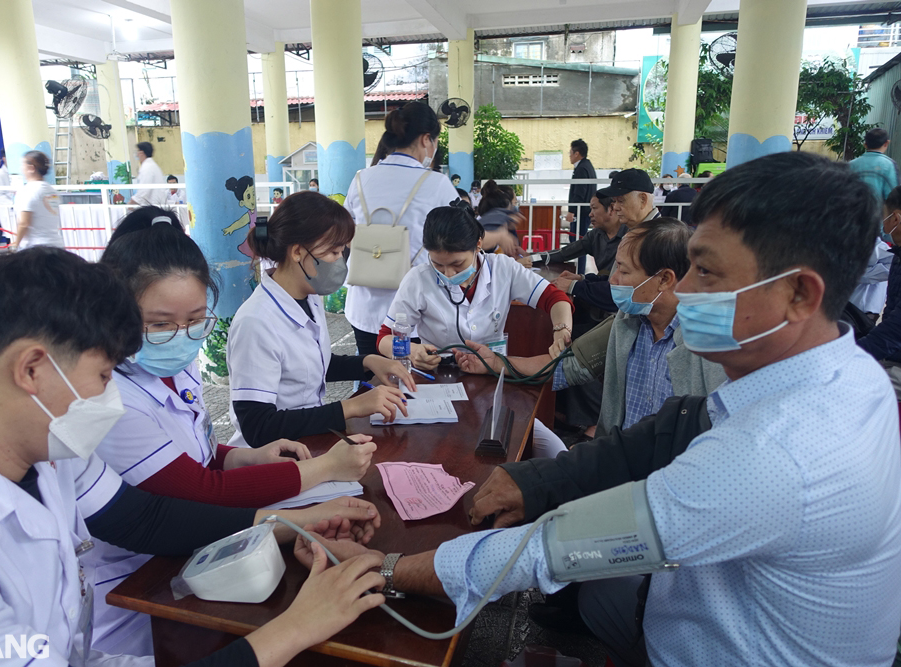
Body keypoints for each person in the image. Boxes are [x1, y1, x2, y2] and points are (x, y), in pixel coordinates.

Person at [298, 151, 901, 667]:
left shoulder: (776, 454)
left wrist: (383, 570)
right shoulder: (847, 376)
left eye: (707, 273)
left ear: (799, 293)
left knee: (562, 577)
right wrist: (531, 481)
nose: (682, 291)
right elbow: (670, 427)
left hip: (704, 647)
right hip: (696, 609)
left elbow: (553, 549)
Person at [0, 247, 387, 667]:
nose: (111, 394)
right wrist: (297, 627)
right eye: (106, 374)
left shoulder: (45, 441)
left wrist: (293, 524)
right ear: (32, 369)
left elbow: (141, 518)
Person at [91, 207, 379, 654]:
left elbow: (196, 450)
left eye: (195, 321)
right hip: (136, 581)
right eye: (161, 324)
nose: (182, 336)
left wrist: (242, 457)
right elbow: (199, 491)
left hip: (197, 549)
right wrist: (319, 478)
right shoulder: (112, 401)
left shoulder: (174, 368)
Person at [459, 217, 726, 437]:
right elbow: (568, 366)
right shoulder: (627, 322)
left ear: (664, 279)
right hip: (619, 464)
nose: (613, 281)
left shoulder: (711, 345)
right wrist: (495, 363)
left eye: (623, 270)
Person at [374, 202, 575, 457]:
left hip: (491, 380)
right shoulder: (418, 279)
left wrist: (561, 330)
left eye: (457, 265)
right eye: (438, 265)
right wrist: (412, 350)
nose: (447, 274)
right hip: (438, 384)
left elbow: (555, 298)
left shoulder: (503, 268)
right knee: (444, 453)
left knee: (551, 451)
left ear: (479, 243)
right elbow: (384, 338)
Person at [226, 191, 415, 448]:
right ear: (297, 252)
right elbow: (258, 427)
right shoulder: (256, 323)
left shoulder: (309, 296)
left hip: (309, 442)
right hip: (269, 457)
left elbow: (310, 367)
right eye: (333, 252)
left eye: (342, 252)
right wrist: (349, 407)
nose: (340, 262)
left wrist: (370, 362)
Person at [343, 102, 516, 355]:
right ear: (426, 139)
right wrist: (499, 235)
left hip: (362, 308)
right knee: (413, 384)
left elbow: (345, 236)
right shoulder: (436, 184)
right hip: (413, 313)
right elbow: (466, 238)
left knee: (371, 376)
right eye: (435, 141)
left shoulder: (361, 178)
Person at [553, 168, 661, 314]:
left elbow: (620, 293)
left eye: (620, 201)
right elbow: (615, 280)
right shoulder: (636, 232)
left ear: (642, 200)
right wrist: (582, 279)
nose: (615, 207)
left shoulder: (655, 239)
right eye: (614, 201)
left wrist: (574, 286)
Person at [857, 187, 901, 362]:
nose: (883, 224)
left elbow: (896, 329)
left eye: (885, 217)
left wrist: (855, 355)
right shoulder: (897, 254)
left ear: (895, 218)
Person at [536, 193, 627, 276]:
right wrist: (532, 257)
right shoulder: (595, 236)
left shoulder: (631, 237)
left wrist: (578, 283)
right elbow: (564, 253)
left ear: (611, 209)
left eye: (594, 208)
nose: (590, 214)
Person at [11, 151, 63, 251]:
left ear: (31, 168)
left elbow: (24, 223)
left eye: (22, 165)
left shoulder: (28, 190)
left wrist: (16, 244)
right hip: (56, 244)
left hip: (36, 248)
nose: (21, 169)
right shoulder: (52, 190)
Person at [566, 139, 597, 273]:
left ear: (577, 153)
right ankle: (579, 270)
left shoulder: (582, 168)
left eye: (570, 152)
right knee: (578, 240)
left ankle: (579, 272)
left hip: (581, 212)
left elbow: (580, 191)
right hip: (584, 211)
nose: (569, 155)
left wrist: (572, 211)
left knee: (578, 241)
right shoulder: (586, 166)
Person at [129, 141, 167, 207]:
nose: (137, 154)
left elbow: (144, 191)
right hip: (154, 204)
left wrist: (132, 203)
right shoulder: (151, 166)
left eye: (138, 151)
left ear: (141, 153)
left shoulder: (147, 168)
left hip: (153, 205)